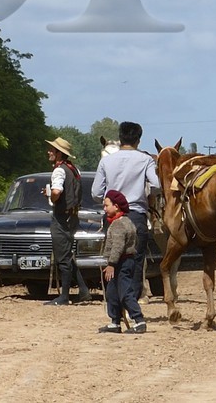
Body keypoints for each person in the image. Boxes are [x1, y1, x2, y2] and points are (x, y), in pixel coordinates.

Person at [91, 120, 160, 295]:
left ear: (120, 138)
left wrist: (109, 202)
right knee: (136, 263)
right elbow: (157, 185)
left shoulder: (106, 161)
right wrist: (144, 194)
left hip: (114, 217)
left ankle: (115, 312)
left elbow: (96, 192)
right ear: (138, 140)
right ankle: (132, 304)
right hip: (136, 215)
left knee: (113, 261)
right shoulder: (145, 160)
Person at [44, 136, 88, 305]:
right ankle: (83, 291)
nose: (49, 152)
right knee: (67, 254)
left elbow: (56, 191)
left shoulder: (59, 170)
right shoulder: (73, 169)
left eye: (52, 150)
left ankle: (64, 296)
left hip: (62, 216)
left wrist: (52, 196)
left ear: (59, 153)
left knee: (62, 257)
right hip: (72, 216)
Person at [97, 190, 146, 334]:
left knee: (125, 292)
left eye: (107, 205)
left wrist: (111, 264)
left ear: (116, 206)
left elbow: (118, 246)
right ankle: (115, 322)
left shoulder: (119, 224)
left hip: (121, 263)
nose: (104, 209)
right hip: (122, 262)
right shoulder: (126, 222)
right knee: (112, 292)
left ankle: (139, 320)